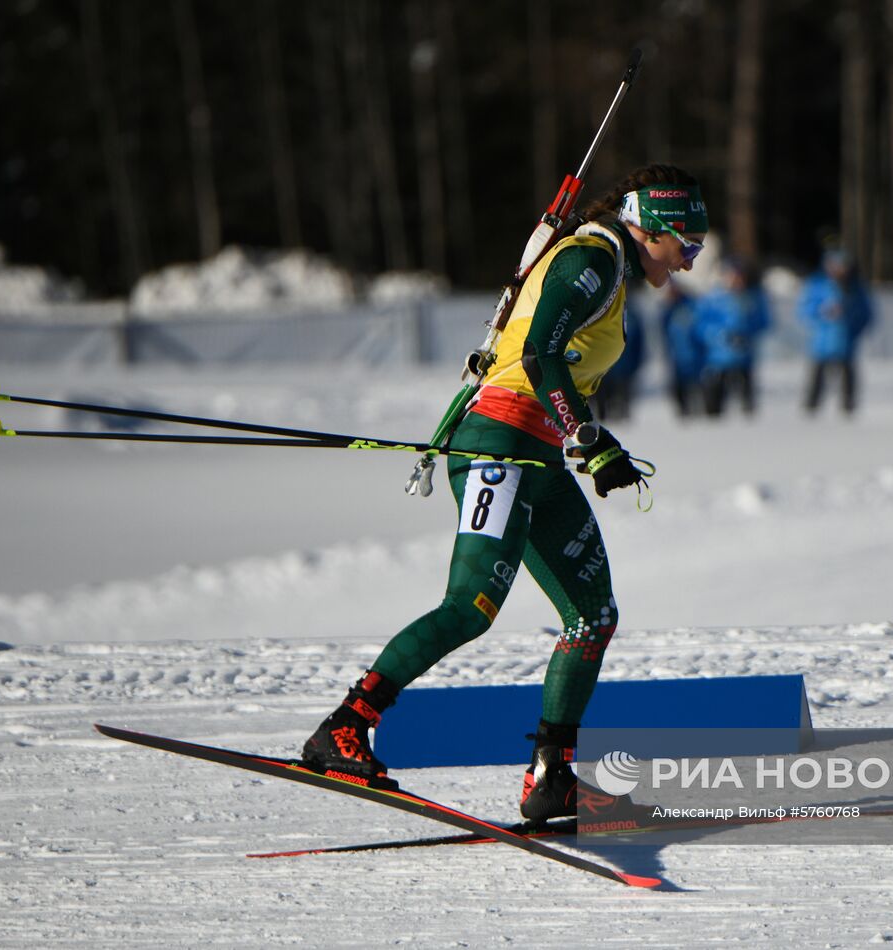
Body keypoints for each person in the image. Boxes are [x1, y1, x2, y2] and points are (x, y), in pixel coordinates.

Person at [299, 164, 708, 822]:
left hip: (537, 454)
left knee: (592, 616)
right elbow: (539, 357)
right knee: (470, 608)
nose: (688, 262)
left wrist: (583, 439)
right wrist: (589, 436)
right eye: (687, 245)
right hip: (498, 444)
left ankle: (551, 776)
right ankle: (343, 728)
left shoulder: (605, 264)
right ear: (653, 228)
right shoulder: (594, 259)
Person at [797, 248, 875, 415]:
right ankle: (812, 406)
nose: (838, 270)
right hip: (822, 342)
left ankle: (848, 406)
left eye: (842, 266)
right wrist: (822, 313)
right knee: (817, 375)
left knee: (847, 376)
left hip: (846, 341)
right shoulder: (817, 284)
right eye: (834, 265)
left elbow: (866, 314)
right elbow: (804, 311)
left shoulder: (856, 288)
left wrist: (851, 323)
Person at [695, 256, 771, 416]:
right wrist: (720, 335)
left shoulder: (752, 298)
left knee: (747, 405)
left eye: (739, 276)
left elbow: (764, 322)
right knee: (715, 406)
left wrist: (746, 333)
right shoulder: (712, 299)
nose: (736, 280)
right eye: (732, 275)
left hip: (743, 359)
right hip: (718, 361)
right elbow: (700, 326)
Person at [657, 281, 705, 416]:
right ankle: (683, 413)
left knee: (696, 387)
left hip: (695, 356)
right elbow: (663, 332)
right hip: (676, 357)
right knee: (679, 389)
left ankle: (699, 412)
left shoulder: (692, 306)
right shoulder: (667, 310)